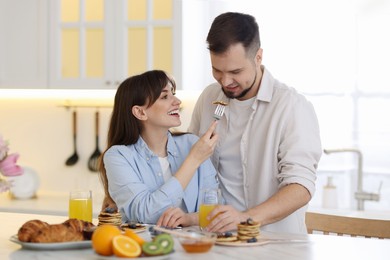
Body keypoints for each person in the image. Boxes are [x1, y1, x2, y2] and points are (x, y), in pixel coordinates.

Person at [188, 12, 322, 234]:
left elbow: (301, 187)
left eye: (236, 72)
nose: (225, 81)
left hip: (276, 247)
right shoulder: (209, 99)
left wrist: (244, 219)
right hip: (218, 242)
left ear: (258, 57)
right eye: (217, 71)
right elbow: (190, 163)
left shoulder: (291, 106)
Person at [99, 70, 219, 227]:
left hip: (194, 246)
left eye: (173, 93)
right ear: (140, 112)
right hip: (144, 248)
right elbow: (145, 214)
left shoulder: (192, 143)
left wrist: (188, 219)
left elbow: (216, 208)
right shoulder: (118, 156)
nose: (177, 101)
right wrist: (193, 160)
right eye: (164, 96)